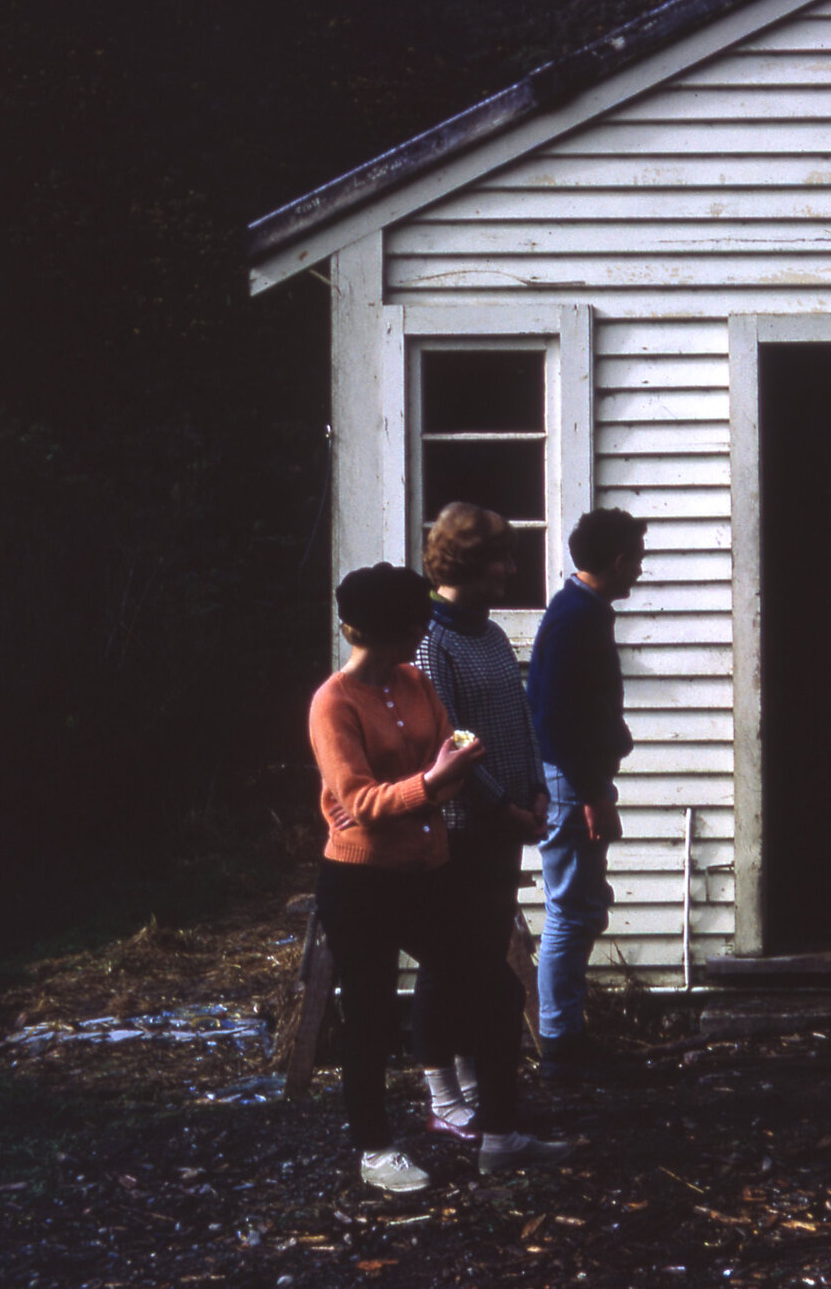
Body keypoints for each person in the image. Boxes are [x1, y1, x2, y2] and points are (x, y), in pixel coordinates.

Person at [309, 563, 568, 1191]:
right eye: (399, 634)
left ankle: (501, 1138)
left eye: (414, 630)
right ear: (355, 631)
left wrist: (470, 762)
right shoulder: (333, 703)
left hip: (429, 870)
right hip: (361, 880)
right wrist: (433, 782)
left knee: (494, 990)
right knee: (369, 1016)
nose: (409, 645)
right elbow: (359, 804)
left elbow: (448, 742)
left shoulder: (417, 681)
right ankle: (373, 1150)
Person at [411, 503, 550, 1141]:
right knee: (450, 962)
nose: (511, 571)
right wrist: (502, 804)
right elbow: (452, 736)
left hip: (506, 823)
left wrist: (538, 790)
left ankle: (473, 1085)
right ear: (468, 561)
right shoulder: (431, 640)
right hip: (463, 827)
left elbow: (518, 719)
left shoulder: (490, 634)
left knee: (487, 958)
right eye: (502, 558)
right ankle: (441, 1095)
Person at [527, 507, 646, 1082]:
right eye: (638, 561)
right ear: (619, 561)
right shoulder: (577, 617)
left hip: (578, 778)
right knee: (572, 911)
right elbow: (556, 719)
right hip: (572, 781)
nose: (640, 573)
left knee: (580, 906)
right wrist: (592, 791)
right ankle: (560, 1045)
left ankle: (566, 1034)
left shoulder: (582, 610)